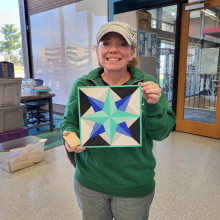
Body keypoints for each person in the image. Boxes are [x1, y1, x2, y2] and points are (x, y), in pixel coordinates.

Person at [60, 21, 176, 220]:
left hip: (134, 186)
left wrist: (153, 105)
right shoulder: (83, 85)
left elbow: (161, 132)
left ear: (131, 53)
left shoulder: (148, 86)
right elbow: (68, 122)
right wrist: (70, 137)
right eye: (106, 43)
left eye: (122, 44)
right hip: (89, 183)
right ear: (97, 52)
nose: (113, 49)